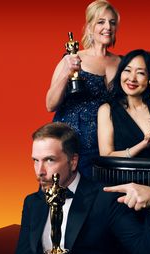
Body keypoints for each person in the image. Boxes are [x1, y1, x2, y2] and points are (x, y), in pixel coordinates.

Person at [12, 122, 150, 254]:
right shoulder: (32, 203)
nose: (39, 171)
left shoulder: (105, 199)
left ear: (73, 162)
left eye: (49, 160)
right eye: (35, 160)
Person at [46, 0, 121, 178]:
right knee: (64, 197)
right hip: (72, 142)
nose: (107, 27)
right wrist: (67, 72)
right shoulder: (72, 58)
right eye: (101, 22)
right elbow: (50, 104)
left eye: (112, 22)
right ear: (89, 27)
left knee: (101, 199)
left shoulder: (123, 62)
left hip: (106, 146)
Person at [98, 49, 150, 160]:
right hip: (125, 175)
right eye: (127, 70)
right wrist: (144, 144)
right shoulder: (106, 110)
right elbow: (106, 155)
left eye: (140, 73)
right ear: (120, 73)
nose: (132, 78)